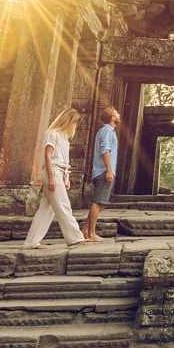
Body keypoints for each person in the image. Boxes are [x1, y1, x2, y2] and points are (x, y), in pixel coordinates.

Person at [23, 107, 86, 249]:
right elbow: (48, 156)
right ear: (67, 121)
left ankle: (31, 242)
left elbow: (64, 160)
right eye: (74, 122)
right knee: (63, 206)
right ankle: (75, 237)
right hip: (52, 172)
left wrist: (67, 178)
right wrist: (51, 177)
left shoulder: (65, 137)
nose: (75, 126)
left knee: (46, 210)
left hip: (60, 173)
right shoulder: (52, 134)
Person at [85, 106, 120, 242]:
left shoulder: (105, 131)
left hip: (102, 170)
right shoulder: (107, 131)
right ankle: (91, 234)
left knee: (102, 202)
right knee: (98, 202)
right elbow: (105, 151)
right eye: (116, 113)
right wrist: (109, 170)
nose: (118, 115)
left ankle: (86, 230)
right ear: (112, 117)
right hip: (103, 171)